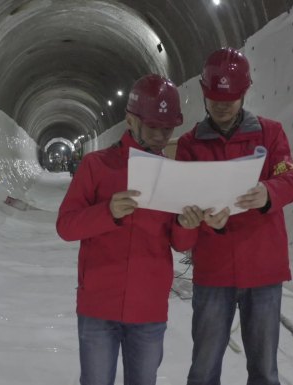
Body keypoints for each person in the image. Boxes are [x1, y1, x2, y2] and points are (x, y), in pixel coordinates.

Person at [56, 74, 205, 385]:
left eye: (168, 128)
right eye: (154, 127)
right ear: (130, 120)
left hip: (148, 308)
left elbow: (179, 243)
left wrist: (186, 224)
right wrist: (107, 211)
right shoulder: (96, 166)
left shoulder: (173, 175)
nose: (162, 136)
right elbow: (66, 226)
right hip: (99, 304)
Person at [176, 48, 293, 385]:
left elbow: (290, 179)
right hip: (213, 271)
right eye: (216, 97)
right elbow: (185, 200)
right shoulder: (190, 145)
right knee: (203, 370)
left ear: (244, 92)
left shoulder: (269, 133)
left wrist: (267, 193)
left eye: (230, 98)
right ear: (204, 93)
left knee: (263, 370)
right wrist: (202, 219)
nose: (222, 105)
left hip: (262, 270)